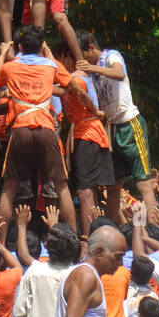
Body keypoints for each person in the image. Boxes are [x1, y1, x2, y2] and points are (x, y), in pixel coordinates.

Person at [0, 26, 80, 232]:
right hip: (46, 129)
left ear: (20, 46)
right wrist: (49, 54)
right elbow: (72, 84)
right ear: (42, 46)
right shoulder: (51, 66)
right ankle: (75, 239)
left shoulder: (10, 66)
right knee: (61, 185)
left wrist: (3, 52)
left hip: (21, 128)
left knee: (9, 187)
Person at [75, 30, 156, 220]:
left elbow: (119, 73)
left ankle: (154, 228)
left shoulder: (110, 56)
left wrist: (92, 69)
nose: (82, 60)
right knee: (112, 186)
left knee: (143, 183)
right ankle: (110, 228)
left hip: (130, 124)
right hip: (111, 130)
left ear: (91, 47)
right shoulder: (91, 74)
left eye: (83, 54)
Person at [58, 48, 115, 234]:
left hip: (89, 135)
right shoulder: (71, 81)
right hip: (83, 135)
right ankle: (96, 233)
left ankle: (88, 237)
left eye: (60, 60)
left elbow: (77, 93)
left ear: (67, 59)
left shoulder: (78, 80)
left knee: (84, 191)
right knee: (88, 190)